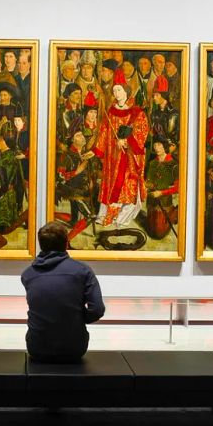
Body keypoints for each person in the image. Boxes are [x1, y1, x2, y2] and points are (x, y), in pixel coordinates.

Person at [21, 221, 105, 363]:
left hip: (38, 347)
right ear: (66, 243)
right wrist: (76, 318)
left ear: (40, 244)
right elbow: (97, 309)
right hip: (73, 348)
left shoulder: (28, 274)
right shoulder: (83, 271)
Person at [92, 68, 149, 227]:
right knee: (111, 184)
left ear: (126, 91)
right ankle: (105, 214)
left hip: (129, 157)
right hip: (113, 156)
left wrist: (127, 141)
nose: (116, 93)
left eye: (119, 90)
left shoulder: (137, 112)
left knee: (126, 185)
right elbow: (104, 131)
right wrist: (97, 150)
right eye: (114, 90)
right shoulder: (110, 112)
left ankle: (122, 217)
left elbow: (142, 131)